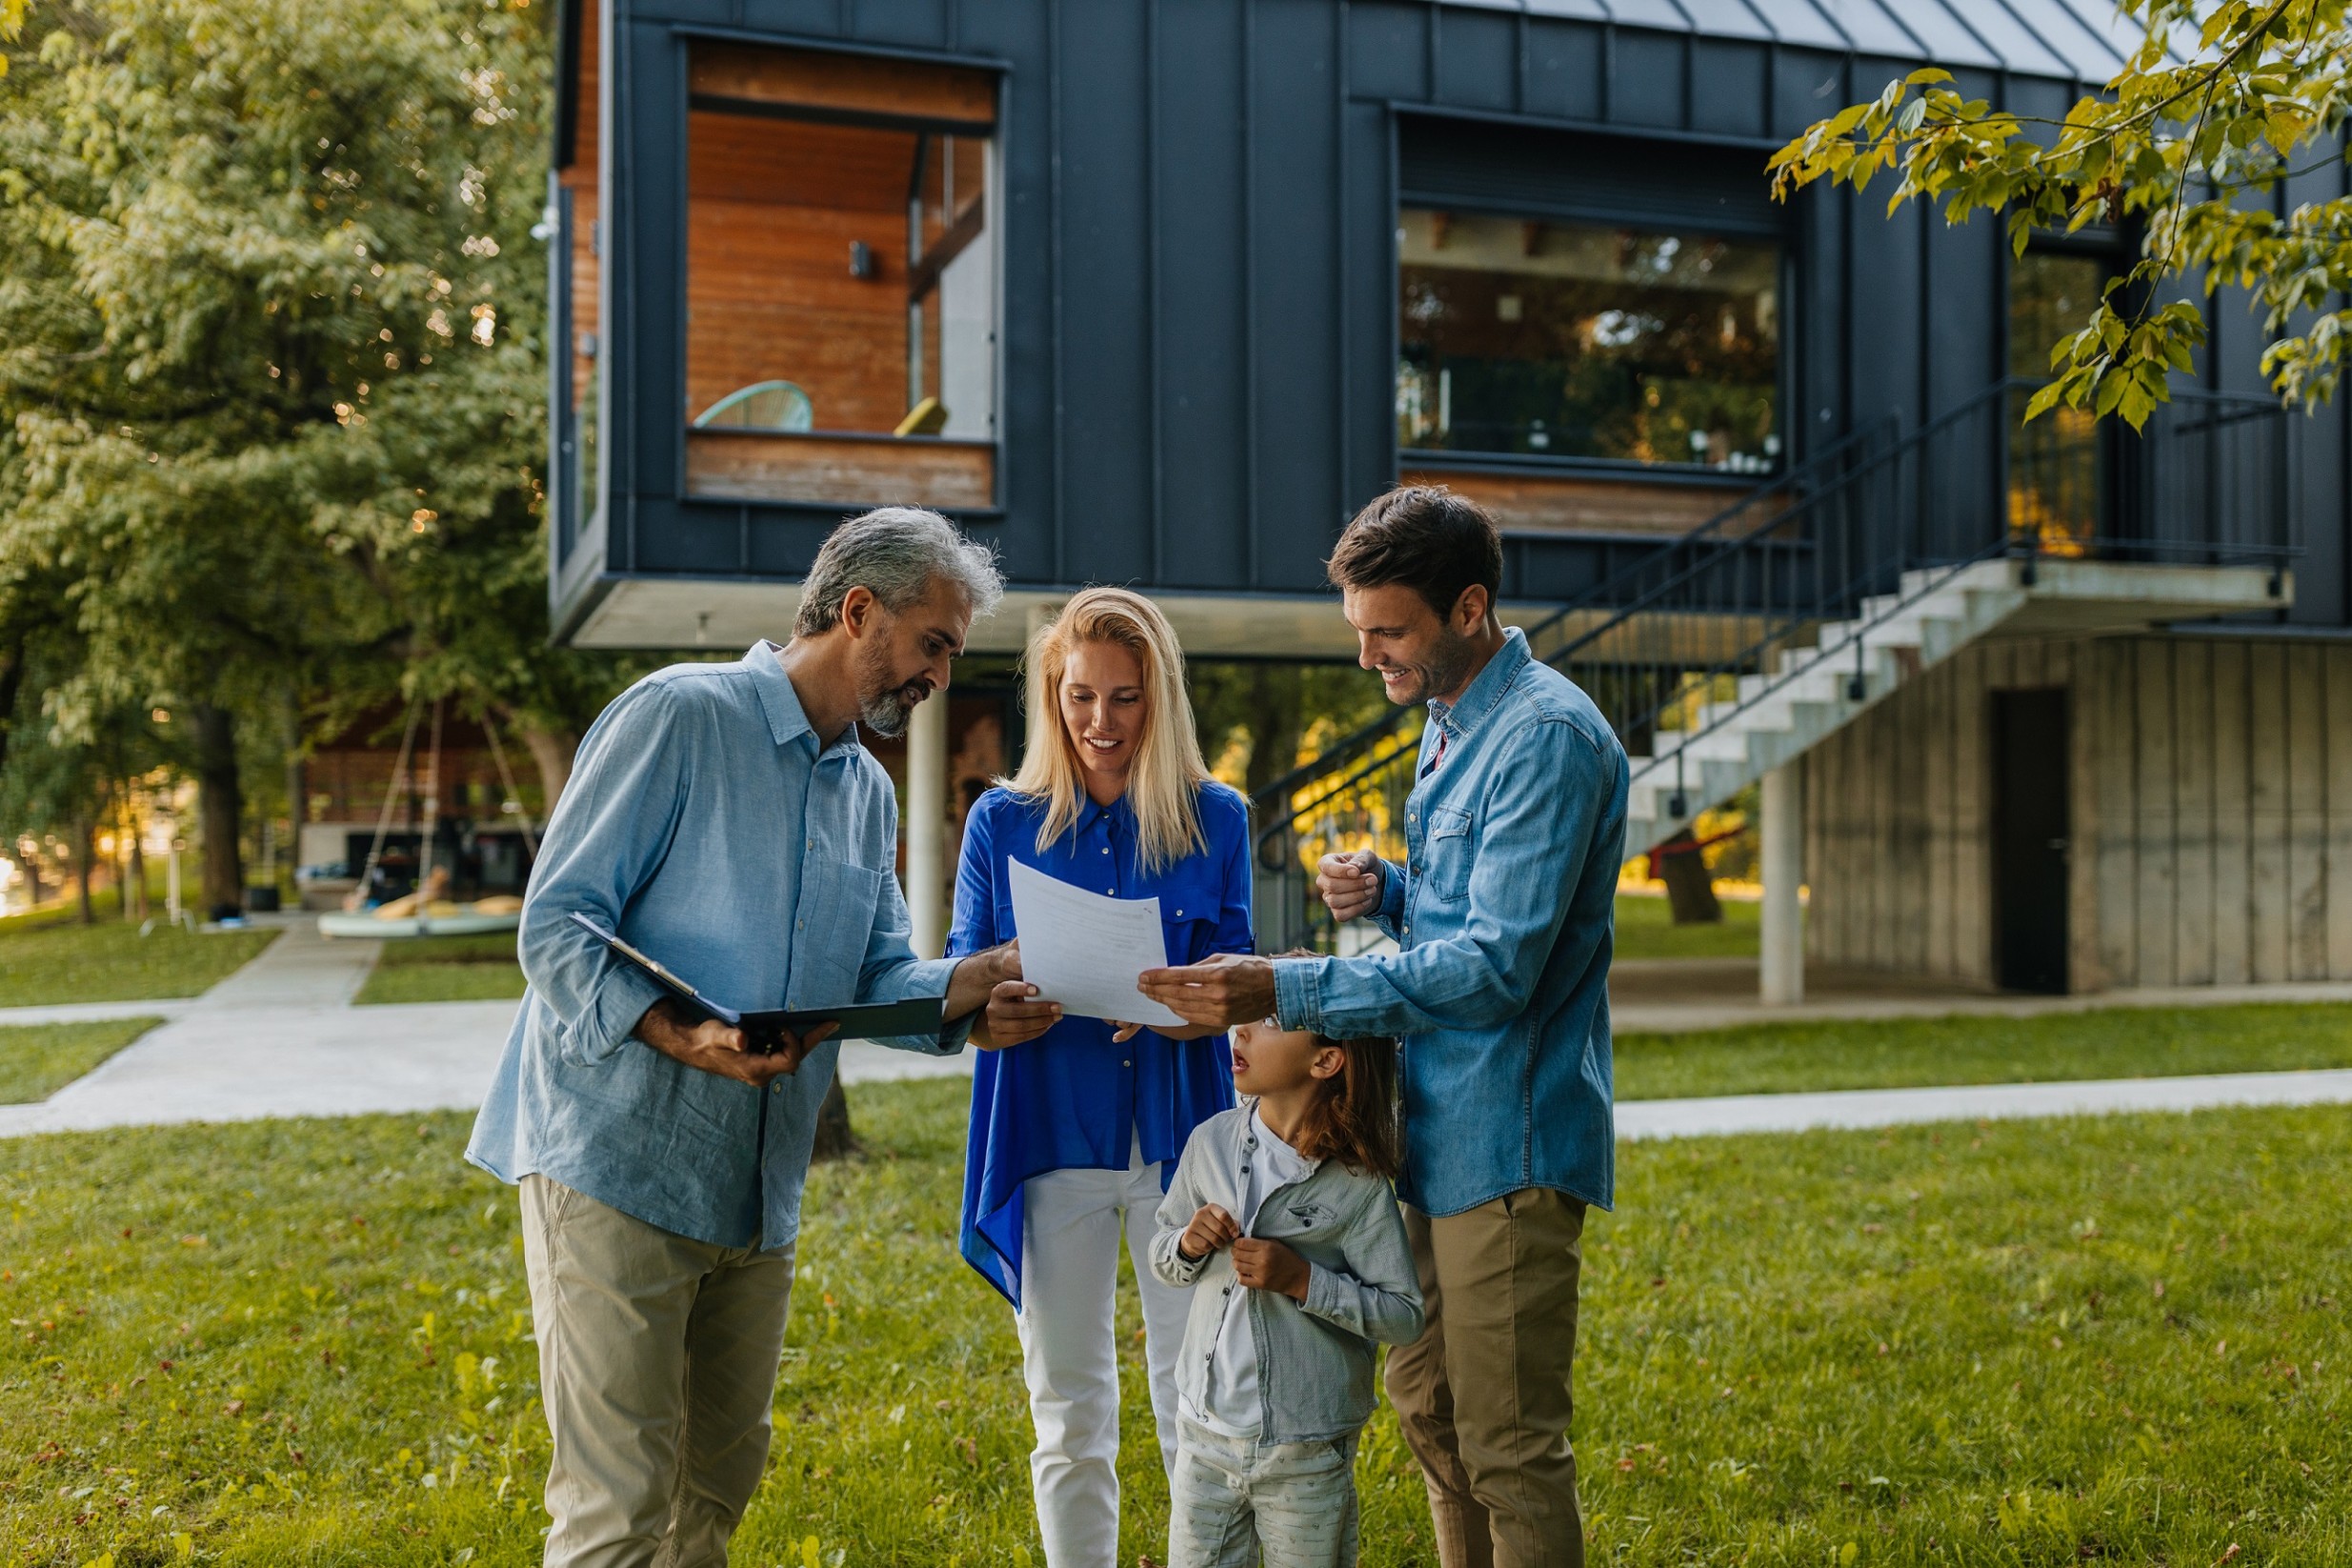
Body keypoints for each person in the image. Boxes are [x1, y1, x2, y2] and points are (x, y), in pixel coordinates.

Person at [465, 507, 1025, 1568]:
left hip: (757, 1190)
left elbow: (867, 976)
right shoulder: (678, 714)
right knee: (619, 1507)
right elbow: (557, 921)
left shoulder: (862, 785)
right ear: (858, 610)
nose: (942, 676)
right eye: (934, 644)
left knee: (713, 1487)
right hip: (617, 1161)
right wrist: (690, 1035)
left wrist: (965, 988)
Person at [1137, 485, 1629, 1568]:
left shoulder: (1546, 735)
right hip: (1425, 1131)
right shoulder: (1455, 719)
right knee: (1432, 1420)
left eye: (1388, 631)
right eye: (1358, 632)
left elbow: (1501, 968)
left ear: (1468, 607)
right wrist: (1394, 889)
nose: (1369, 657)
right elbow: (1479, 912)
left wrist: (1287, 987)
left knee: (1506, 1448)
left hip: (1509, 1141)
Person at [949, 587, 1253, 1568]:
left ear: (1159, 699)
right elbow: (958, 975)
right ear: (1052, 691)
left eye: (1125, 699)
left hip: (1181, 1139)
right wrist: (997, 1003)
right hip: (1047, 1129)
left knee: (1194, 1395)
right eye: (1082, 696)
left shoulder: (1218, 816)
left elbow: (1243, 978)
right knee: (1068, 1404)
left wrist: (1181, 997)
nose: (1101, 723)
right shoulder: (1000, 821)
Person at [1149, 1001, 1423, 1568]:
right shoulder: (1211, 1143)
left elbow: (1403, 1314)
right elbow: (1162, 1255)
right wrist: (1188, 1244)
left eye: (1270, 1020)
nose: (1240, 1028)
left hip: (1306, 1446)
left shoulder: (1356, 1184)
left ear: (1325, 1060)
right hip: (1203, 1435)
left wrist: (1303, 1280)